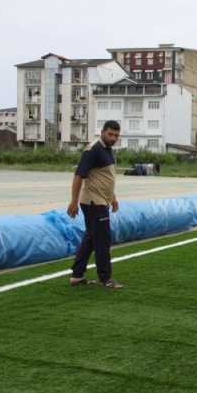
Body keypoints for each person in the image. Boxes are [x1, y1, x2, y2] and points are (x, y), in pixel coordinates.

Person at [67, 120, 123, 289]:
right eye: (110, 134)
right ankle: (105, 278)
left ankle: (77, 276)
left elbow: (105, 178)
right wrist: (73, 201)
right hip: (93, 202)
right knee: (102, 240)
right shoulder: (93, 150)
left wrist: (112, 197)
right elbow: (78, 176)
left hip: (102, 201)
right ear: (102, 132)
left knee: (91, 239)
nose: (113, 138)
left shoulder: (107, 150)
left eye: (116, 135)